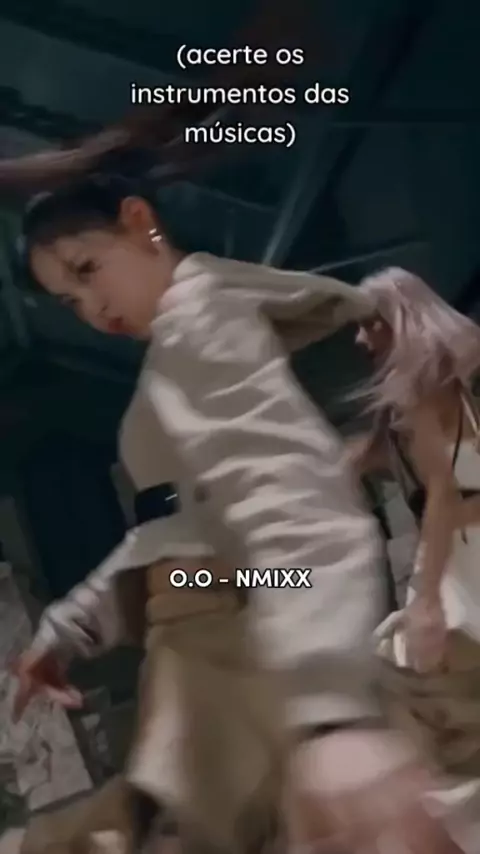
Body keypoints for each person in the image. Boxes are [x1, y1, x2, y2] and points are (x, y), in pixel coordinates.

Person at [12, 177, 460, 854]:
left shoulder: (201, 321)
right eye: (70, 300)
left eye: (88, 269)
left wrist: (330, 708)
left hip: (241, 659)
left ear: (141, 222)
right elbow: (169, 532)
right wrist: (69, 628)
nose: (93, 307)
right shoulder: (180, 344)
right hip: (211, 662)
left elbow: (287, 494)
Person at [352, 265, 480, 847]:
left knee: (421, 686)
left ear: (395, 318)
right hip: (461, 553)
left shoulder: (424, 391)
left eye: (368, 324)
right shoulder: (449, 384)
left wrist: (427, 599)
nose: (360, 340)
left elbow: (442, 496)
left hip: (458, 563)